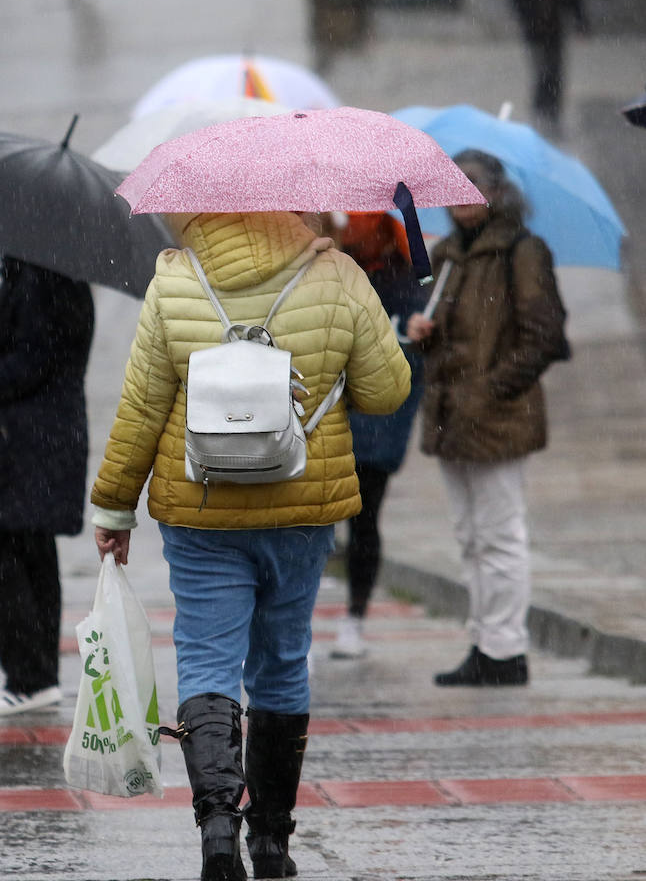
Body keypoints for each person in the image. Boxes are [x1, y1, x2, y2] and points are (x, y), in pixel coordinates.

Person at [91, 210, 410, 881]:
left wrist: (116, 505)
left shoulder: (175, 280)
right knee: (282, 665)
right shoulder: (339, 274)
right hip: (302, 507)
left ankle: (216, 830)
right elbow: (387, 391)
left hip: (201, 507)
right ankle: (270, 841)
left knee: (207, 663)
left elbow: (143, 406)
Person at [406, 149, 569, 688]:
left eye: (472, 186)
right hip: (451, 418)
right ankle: (483, 642)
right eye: (452, 187)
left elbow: (545, 337)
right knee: (469, 536)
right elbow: (448, 337)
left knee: (500, 534)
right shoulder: (447, 255)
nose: (461, 198)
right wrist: (422, 334)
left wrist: (489, 390)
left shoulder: (521, 250)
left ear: (497, 192)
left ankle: (506, 649)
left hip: (497, 418)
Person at [0, 256, 94, 718]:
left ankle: (27, 678)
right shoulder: (31, 278)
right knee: (30, 553)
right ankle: (37, 678)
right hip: (32, 442)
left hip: (28, 444)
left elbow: (32, 361)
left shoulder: (46, 281)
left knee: (3, 549)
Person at [331, 212, 427, 659]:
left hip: (376, 418)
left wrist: (416, 330)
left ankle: (354, 616)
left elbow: (410, 345)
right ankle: (305, 625)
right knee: (313, 523)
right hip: (330, 415)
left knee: (363, 519)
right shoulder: (328, 268)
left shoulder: (405, 275)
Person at [510, 0, 588, 137]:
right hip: (536, 33)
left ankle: (550, 111)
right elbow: (517, 0)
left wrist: (581, 21)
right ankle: (541, 110)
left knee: (554, 71)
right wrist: (529, 16)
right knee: (543, 70)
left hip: (553, 31)